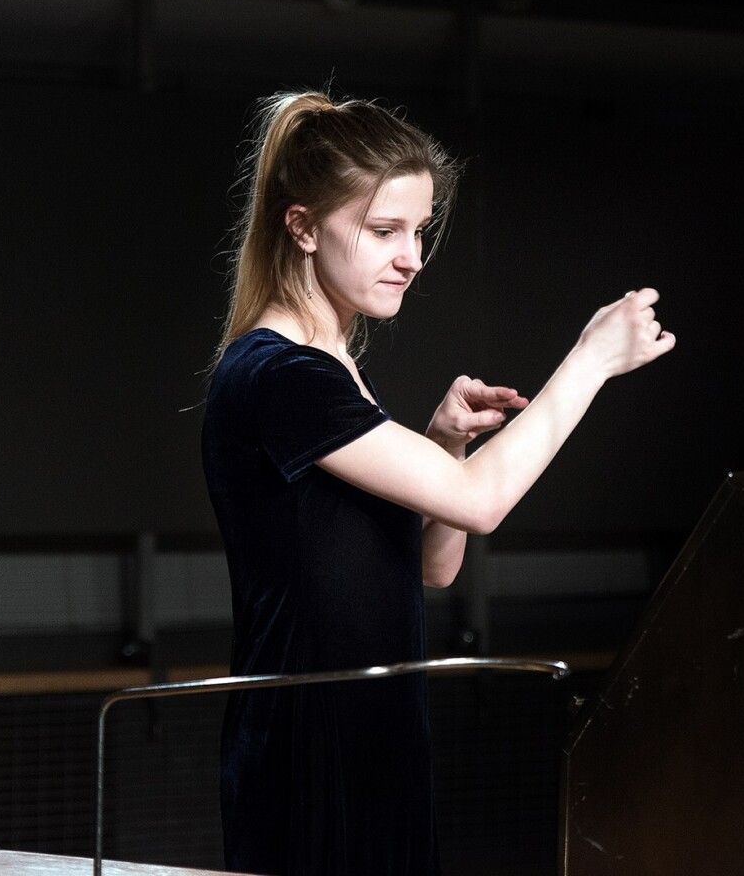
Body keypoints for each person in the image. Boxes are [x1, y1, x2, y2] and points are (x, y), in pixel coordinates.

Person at [200, 89, 675, 876]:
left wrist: (444, 444)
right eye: (384, 231)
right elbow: (484, 505)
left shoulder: (331, 372)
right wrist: (592, 360)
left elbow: (432, 566)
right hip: (313, 751)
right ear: (303, 227)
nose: (412, 257)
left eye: (418, 231)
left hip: (375, 735)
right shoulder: (279, 373)